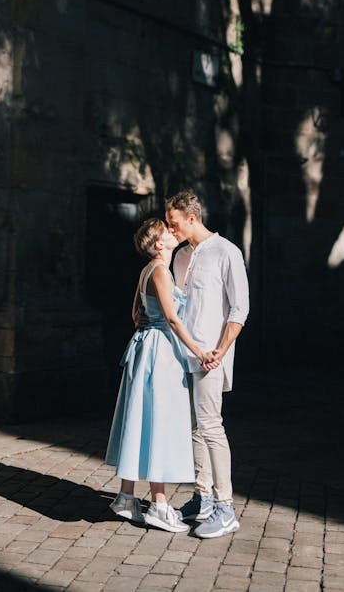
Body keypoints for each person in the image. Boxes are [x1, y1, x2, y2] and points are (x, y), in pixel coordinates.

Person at [105, 217, 216, 533]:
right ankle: (160, 505)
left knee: (143, 419)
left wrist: (147, 321)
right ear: (159, 244)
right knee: (160, 425)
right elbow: (172, 318)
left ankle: (127, 497)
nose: (172, 232)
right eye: (167, 231)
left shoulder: (148, 271)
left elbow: (135, 312)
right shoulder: (160, 271)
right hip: (162, 353)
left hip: (148, 347)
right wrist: (199, 351)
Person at [165, 191, 249, 539]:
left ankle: (226, 507)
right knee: (193, 429)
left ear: (192, 218)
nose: (170, 229)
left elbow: (239, 308)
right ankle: (202, 498)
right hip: (183, 354)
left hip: (212, 358)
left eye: (173, 223)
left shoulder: (226, 251)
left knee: (212, 427)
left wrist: (220, 349)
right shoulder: (180, 256)